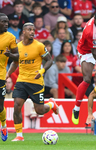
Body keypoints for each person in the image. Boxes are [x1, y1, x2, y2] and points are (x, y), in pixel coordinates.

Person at [6, 22, 59, 141]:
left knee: (40, 110)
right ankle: (19, 135)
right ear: (23, 32)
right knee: (16, 106)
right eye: (29, 30)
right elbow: (15, 63)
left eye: (33, 30)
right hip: (21, 81)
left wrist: (42, 71)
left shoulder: (39, 46)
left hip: (36, 82)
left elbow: (50, 60)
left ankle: (51, 104)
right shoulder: (18, 47)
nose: (32, 32)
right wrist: (8, 74)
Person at [0, 13, 19, 142]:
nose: (7, 24)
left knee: (0, 106)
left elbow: (17, 56)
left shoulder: (10, 37)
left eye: (7, 21)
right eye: (3, 21)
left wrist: (10, 55)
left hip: (0, 74)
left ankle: (4, 125)